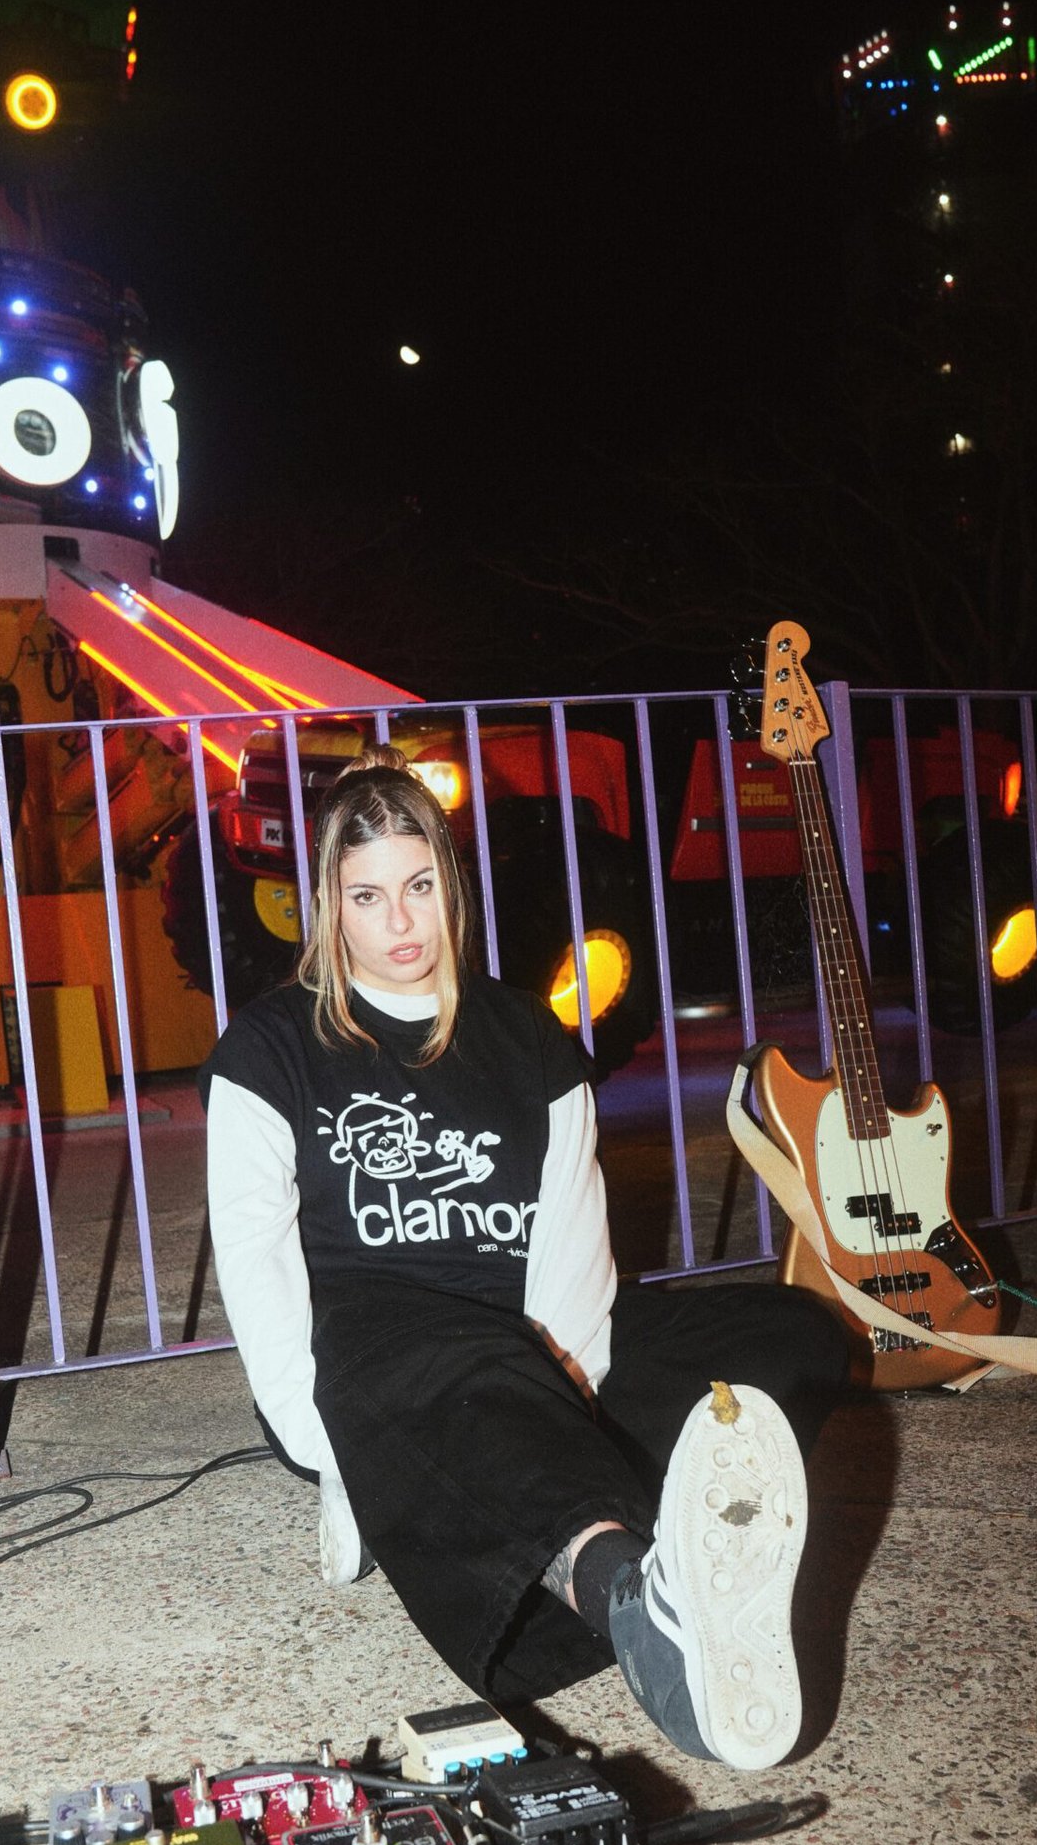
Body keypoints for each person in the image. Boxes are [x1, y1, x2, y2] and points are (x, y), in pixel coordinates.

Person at [200, 749, 850, 1767]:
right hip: (372, 1345)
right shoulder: (270, 1047)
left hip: (530, 1342)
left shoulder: (528, 1039)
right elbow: (257, 1262)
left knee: (791, 1337)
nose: (401, 921)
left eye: (419, 886)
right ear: (330, 905)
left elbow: (573, 1247)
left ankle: (561, 1513)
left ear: (449, 885)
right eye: (368, 896)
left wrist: (567, 1388)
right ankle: (629, 1593)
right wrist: (327, 1442)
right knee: (466, 1370)